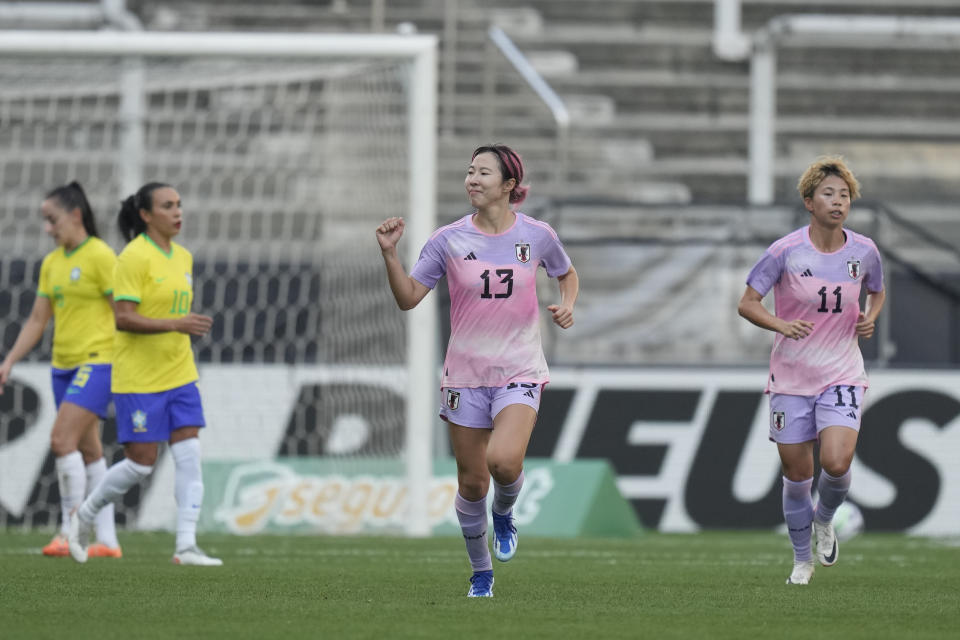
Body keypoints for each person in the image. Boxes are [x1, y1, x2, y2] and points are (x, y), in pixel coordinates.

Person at [376, 143, 579, 597]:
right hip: (464, 376)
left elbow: (566, 273)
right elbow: (409, 296)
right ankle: (481, 573)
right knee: (472, 482)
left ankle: (504, 514)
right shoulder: (448, 239)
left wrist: (566, 306)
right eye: (470, 171)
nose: (472, 179)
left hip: (520, 368)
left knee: (504, 463)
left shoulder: (537, 235)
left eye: (483, 173)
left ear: (509, 185)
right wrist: (390, 254)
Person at [737, 156, 885, 585]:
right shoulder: (784, 252)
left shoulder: (864, 251)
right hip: (791, 378)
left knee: (836, 463)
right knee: (797, 475)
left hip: (841, 372)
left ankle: (826, 518)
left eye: (844, 195)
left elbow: (877, 290)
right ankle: (802, 561)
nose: (838, 202)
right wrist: (780, 324)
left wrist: (870, 316)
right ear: (809, 201)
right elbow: (747, 303)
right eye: (828, 194)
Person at [67, 182, 222, 566]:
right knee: (141, 463)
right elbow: (123, 318)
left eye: (179, 205)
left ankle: (186, 545)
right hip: (139, 378)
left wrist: (179, 330)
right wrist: (175, 325)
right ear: (146, 215)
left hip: (180, 373)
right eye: (167, 206)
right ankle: (85, 515)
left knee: (189, 451)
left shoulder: (183, 257)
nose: (177, 212)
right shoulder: (133, 258)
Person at [0, 182, 122, 558]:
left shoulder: (101, 256)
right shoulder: (53, 263)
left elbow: (123, 312)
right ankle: (108, 541)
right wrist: (8, 362)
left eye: (52, 220)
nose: (48, 229)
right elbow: (38, 320)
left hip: (98, 360)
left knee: (61, 441)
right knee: (90, 452)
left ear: (75, 215)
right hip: (62, 367)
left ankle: (71, 530)